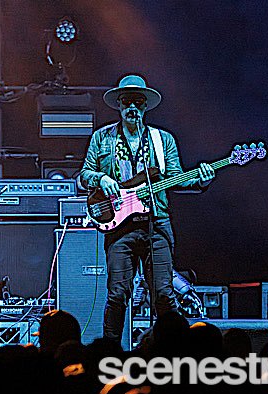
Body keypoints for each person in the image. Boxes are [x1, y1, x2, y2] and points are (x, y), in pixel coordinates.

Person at [80, 74, 215, 344]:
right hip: (120, 228)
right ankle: (110, 352)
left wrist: (200, 180)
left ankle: (172, 352)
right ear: (119, 105)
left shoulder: (162, 140)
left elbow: (177, 178)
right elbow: (84, 175)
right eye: (127, 101)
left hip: (156, 225)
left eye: (138, 102)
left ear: (145, 106)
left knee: (163, 295)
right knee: (118, 295)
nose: (132, 107)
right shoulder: (102, 138)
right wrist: (101, 178)